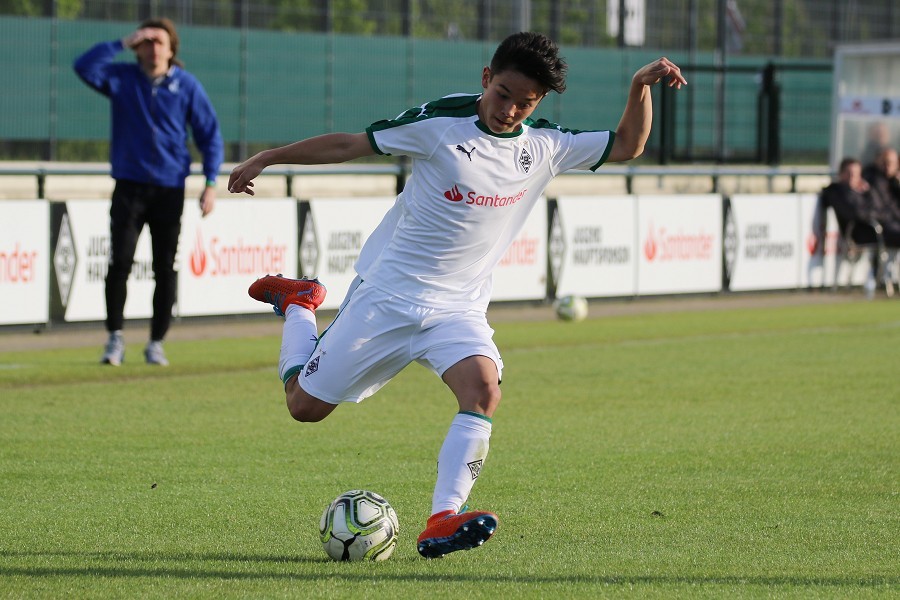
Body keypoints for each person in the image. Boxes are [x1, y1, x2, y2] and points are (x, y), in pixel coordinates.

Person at [228, 32, 686, 558]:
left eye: (525, 103)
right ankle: (300, 303)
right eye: (503, 94)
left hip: (457, 310)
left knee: (484, 390)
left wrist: (638, 87)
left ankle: (442, 517)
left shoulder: (546, 146)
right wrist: (269, 156)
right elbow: (348, 144)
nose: (509, 110)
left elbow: (627, 145)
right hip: (386, 299)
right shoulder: (439, 125)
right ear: (486, 78)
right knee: (303, 408)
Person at [74, 18, 224, 367]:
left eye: (159, 41)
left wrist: (211, 183)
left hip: (170, 189)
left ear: (171, 49)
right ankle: (114, 339)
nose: (152, 48)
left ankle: (156, 342)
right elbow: (83, 66)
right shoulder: (121, 79)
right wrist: (122, 41)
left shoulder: (186, 85)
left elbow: (209, 135)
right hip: (129, 186)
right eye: (146, 42)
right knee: (119, 262)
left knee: (164, 268)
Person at [862, 147, 900, 212]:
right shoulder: (874, 179)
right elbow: (887, 206)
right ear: (877, 161)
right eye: (884, 162)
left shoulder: (892, 180)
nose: (888, 166)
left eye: (892, 163)